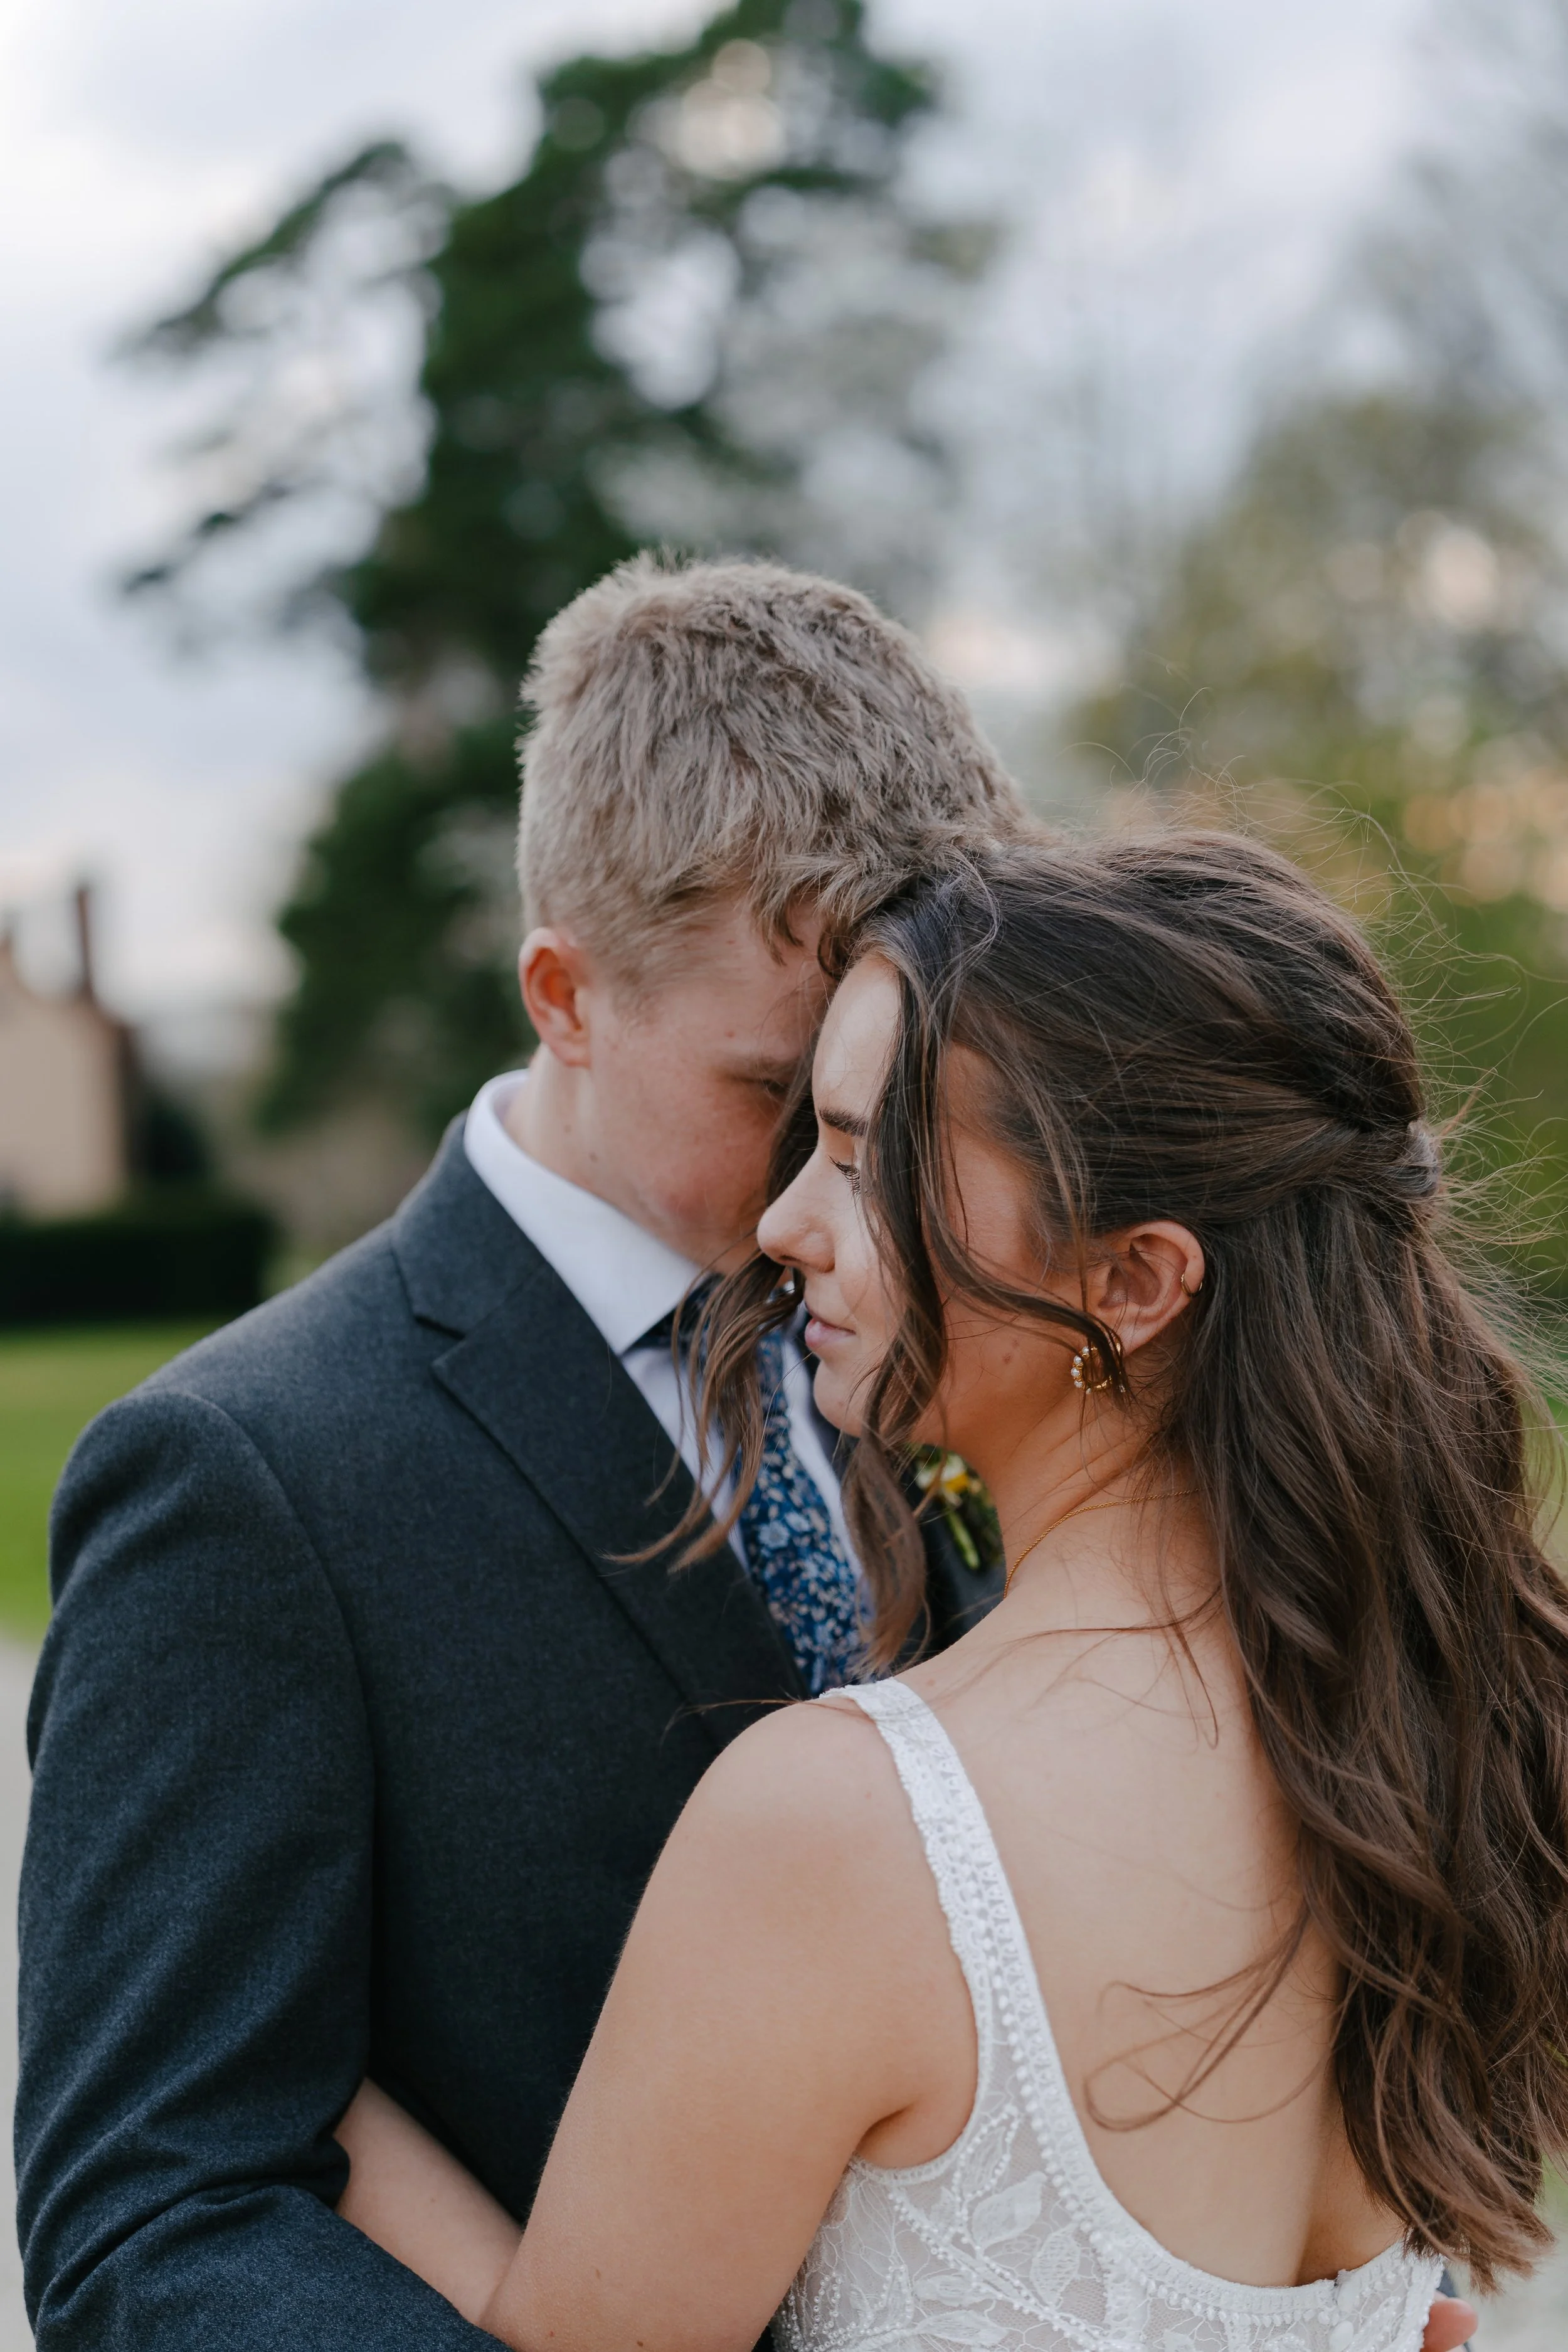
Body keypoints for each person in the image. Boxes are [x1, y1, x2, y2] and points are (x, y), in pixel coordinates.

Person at [329, 835, 1555, 2351]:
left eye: (858, 1159)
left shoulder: (842, 1824)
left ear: (1132, 1282)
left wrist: (320, 2085)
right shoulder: (1432, 1739)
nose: (784, 1228)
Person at [14, 557, 1027, 2349]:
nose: (837, 1179)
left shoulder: (964, 1360)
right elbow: (153, 2214)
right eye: (775, 1090)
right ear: (563, 992)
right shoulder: (244, 1476)